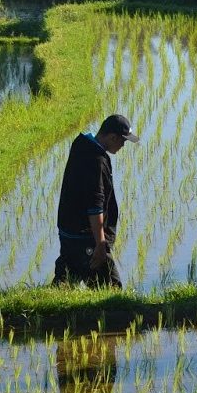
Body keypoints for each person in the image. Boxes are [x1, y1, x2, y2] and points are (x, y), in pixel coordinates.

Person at [54, 114, 138, 288]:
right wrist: (100, 244)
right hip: (87, 238)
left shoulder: (81, 144)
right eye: (123, 141)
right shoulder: (96, 160)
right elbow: (95, 205)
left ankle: (48, 310)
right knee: (110, 290)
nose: (123, 146)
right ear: (112, 137)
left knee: (67, 278)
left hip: (69, 232)